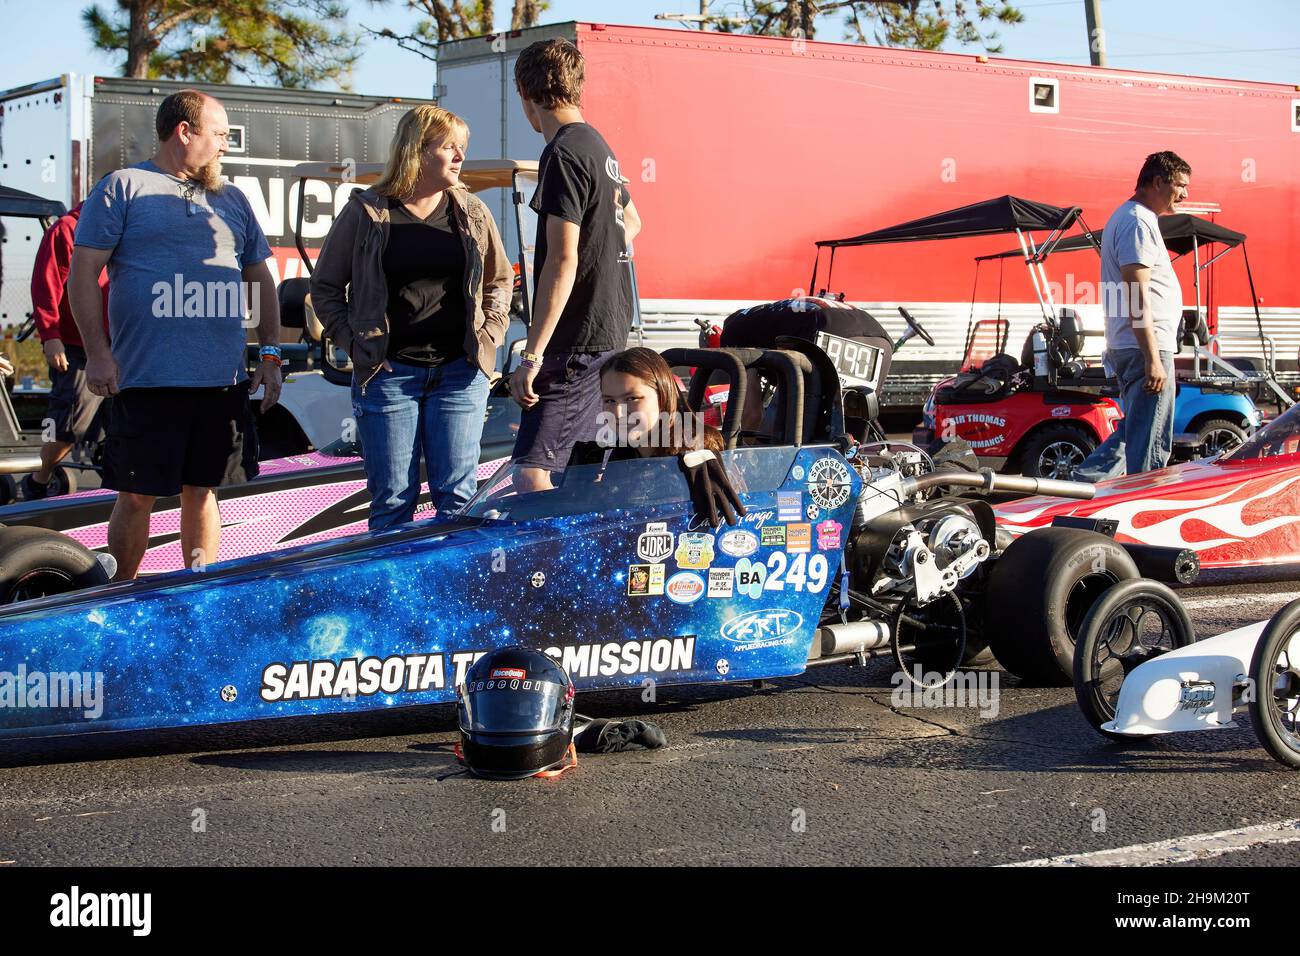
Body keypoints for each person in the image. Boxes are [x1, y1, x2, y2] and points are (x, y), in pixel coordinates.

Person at [67, 89, 281, 579]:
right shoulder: (123, 186)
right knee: (137, 493)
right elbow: (82, 276)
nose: (226, 145)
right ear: (185, 132)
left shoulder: (233, 199)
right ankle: (119, 593)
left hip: (220, 379)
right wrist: (97, 354)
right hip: (146, 379)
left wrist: (270, 354)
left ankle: (197, 593)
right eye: (220, 134)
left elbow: (259, 279)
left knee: (202, 490)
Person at [311, 105, 514, 530]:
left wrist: (489, 337)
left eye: (462, 148)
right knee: (392, 503)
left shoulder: (472, 212)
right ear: (417, 151)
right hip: (388, 377)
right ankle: (394, 598)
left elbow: (499, 281)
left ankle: (454, 597)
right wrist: (356, 345)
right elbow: (325, 289)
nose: (460, 157)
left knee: (458, 503)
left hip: (461, 374)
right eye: (450, 148)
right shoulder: (366, 212)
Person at [507, 38, 642, 493]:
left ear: (526, 92)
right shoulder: (600, 147)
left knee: (531, 473)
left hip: (575, 341)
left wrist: (531, 354)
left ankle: (555, 566)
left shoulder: (562, 152)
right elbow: (634, 222)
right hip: (607, 331)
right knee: (581, 474)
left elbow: (562, 261)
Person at [1073, 151, 1190, 482]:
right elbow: (1136, 291)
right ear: (1158, 181)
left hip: (1133, 344)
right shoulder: (1138, 221)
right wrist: (1153, 356)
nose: (1185, 194)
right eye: (1181, 185)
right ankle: (1142, 508)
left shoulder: (1132, 217)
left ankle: (1082, 488)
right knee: (1151, 444)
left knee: (1136, 432)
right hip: (1144, 347)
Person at [570, 347, 743, 528]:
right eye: (609, 400)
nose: (618, 413)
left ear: (663, 397)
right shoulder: (613, 453)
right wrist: (590, 492)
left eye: (631, 399)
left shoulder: (700, 451)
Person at [26, 200, 110, 500]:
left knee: (127, 425)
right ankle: (38, 478)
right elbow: (45, 284)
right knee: (65, 425)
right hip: (76, 348)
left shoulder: (125, 232)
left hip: (122, 348)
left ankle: (117, 492)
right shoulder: (66, 230)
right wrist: (50, 336)